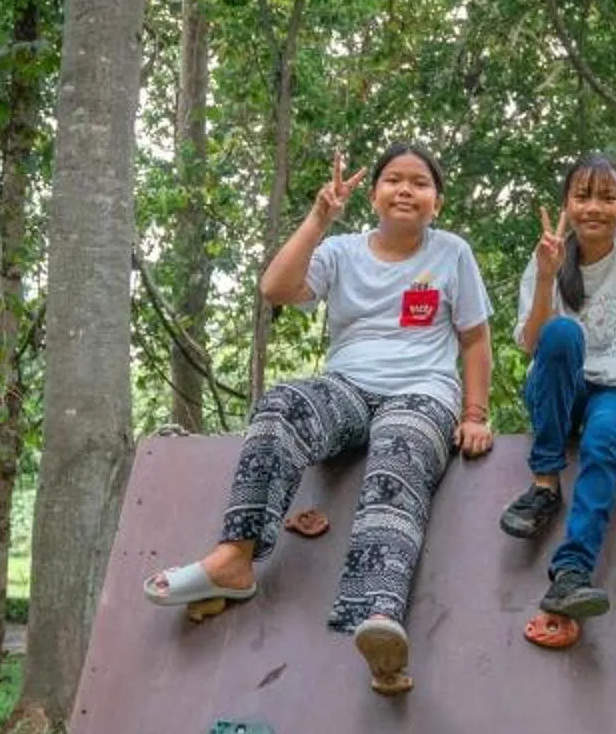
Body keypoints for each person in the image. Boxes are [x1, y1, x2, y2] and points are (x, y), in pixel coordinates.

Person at [143, 143, 494, 695]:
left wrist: (475, 413)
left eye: (420, 183)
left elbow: (474, 340)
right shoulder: (341, 250)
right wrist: (318, 217)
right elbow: (275, 289)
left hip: (423, 390)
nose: (406, 190)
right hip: (348, 386)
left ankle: (379, 616)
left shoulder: (452, 253)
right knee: (281, 405)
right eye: (394, 180)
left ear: (438, 202)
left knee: (398, 451)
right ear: (374, 194)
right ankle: (235, 558)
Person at [499, 153, 616, 634]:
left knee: (604, 442)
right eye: (583, 196)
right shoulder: (548, 254)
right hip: (563, 388)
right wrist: (546, 275)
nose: (594, 208)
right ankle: (544, 485)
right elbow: (532, 345)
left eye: (608, 197)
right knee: (562, 334)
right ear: (567, 203)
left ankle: (572, 571)